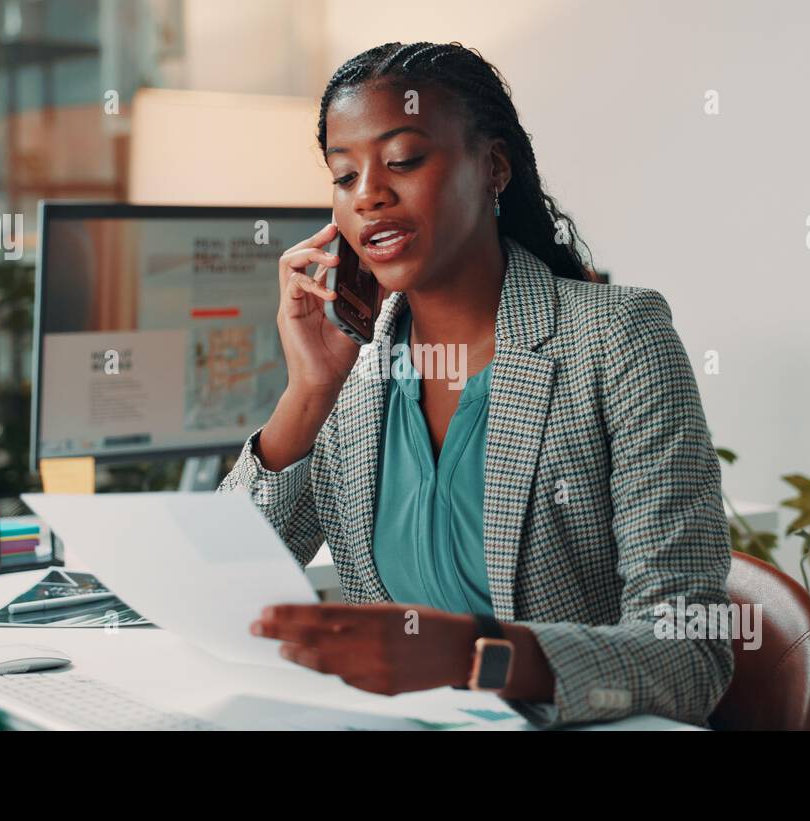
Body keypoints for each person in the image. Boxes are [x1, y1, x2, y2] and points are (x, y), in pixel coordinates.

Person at [218, 41, 733, 729]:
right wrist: (308, 394)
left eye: (404, 160)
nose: (369, 194)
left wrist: (474, 657)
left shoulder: (615, 337)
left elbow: (691, 653)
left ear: (493, 167)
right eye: (344, 175)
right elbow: (226, 591)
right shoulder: (354, 368)